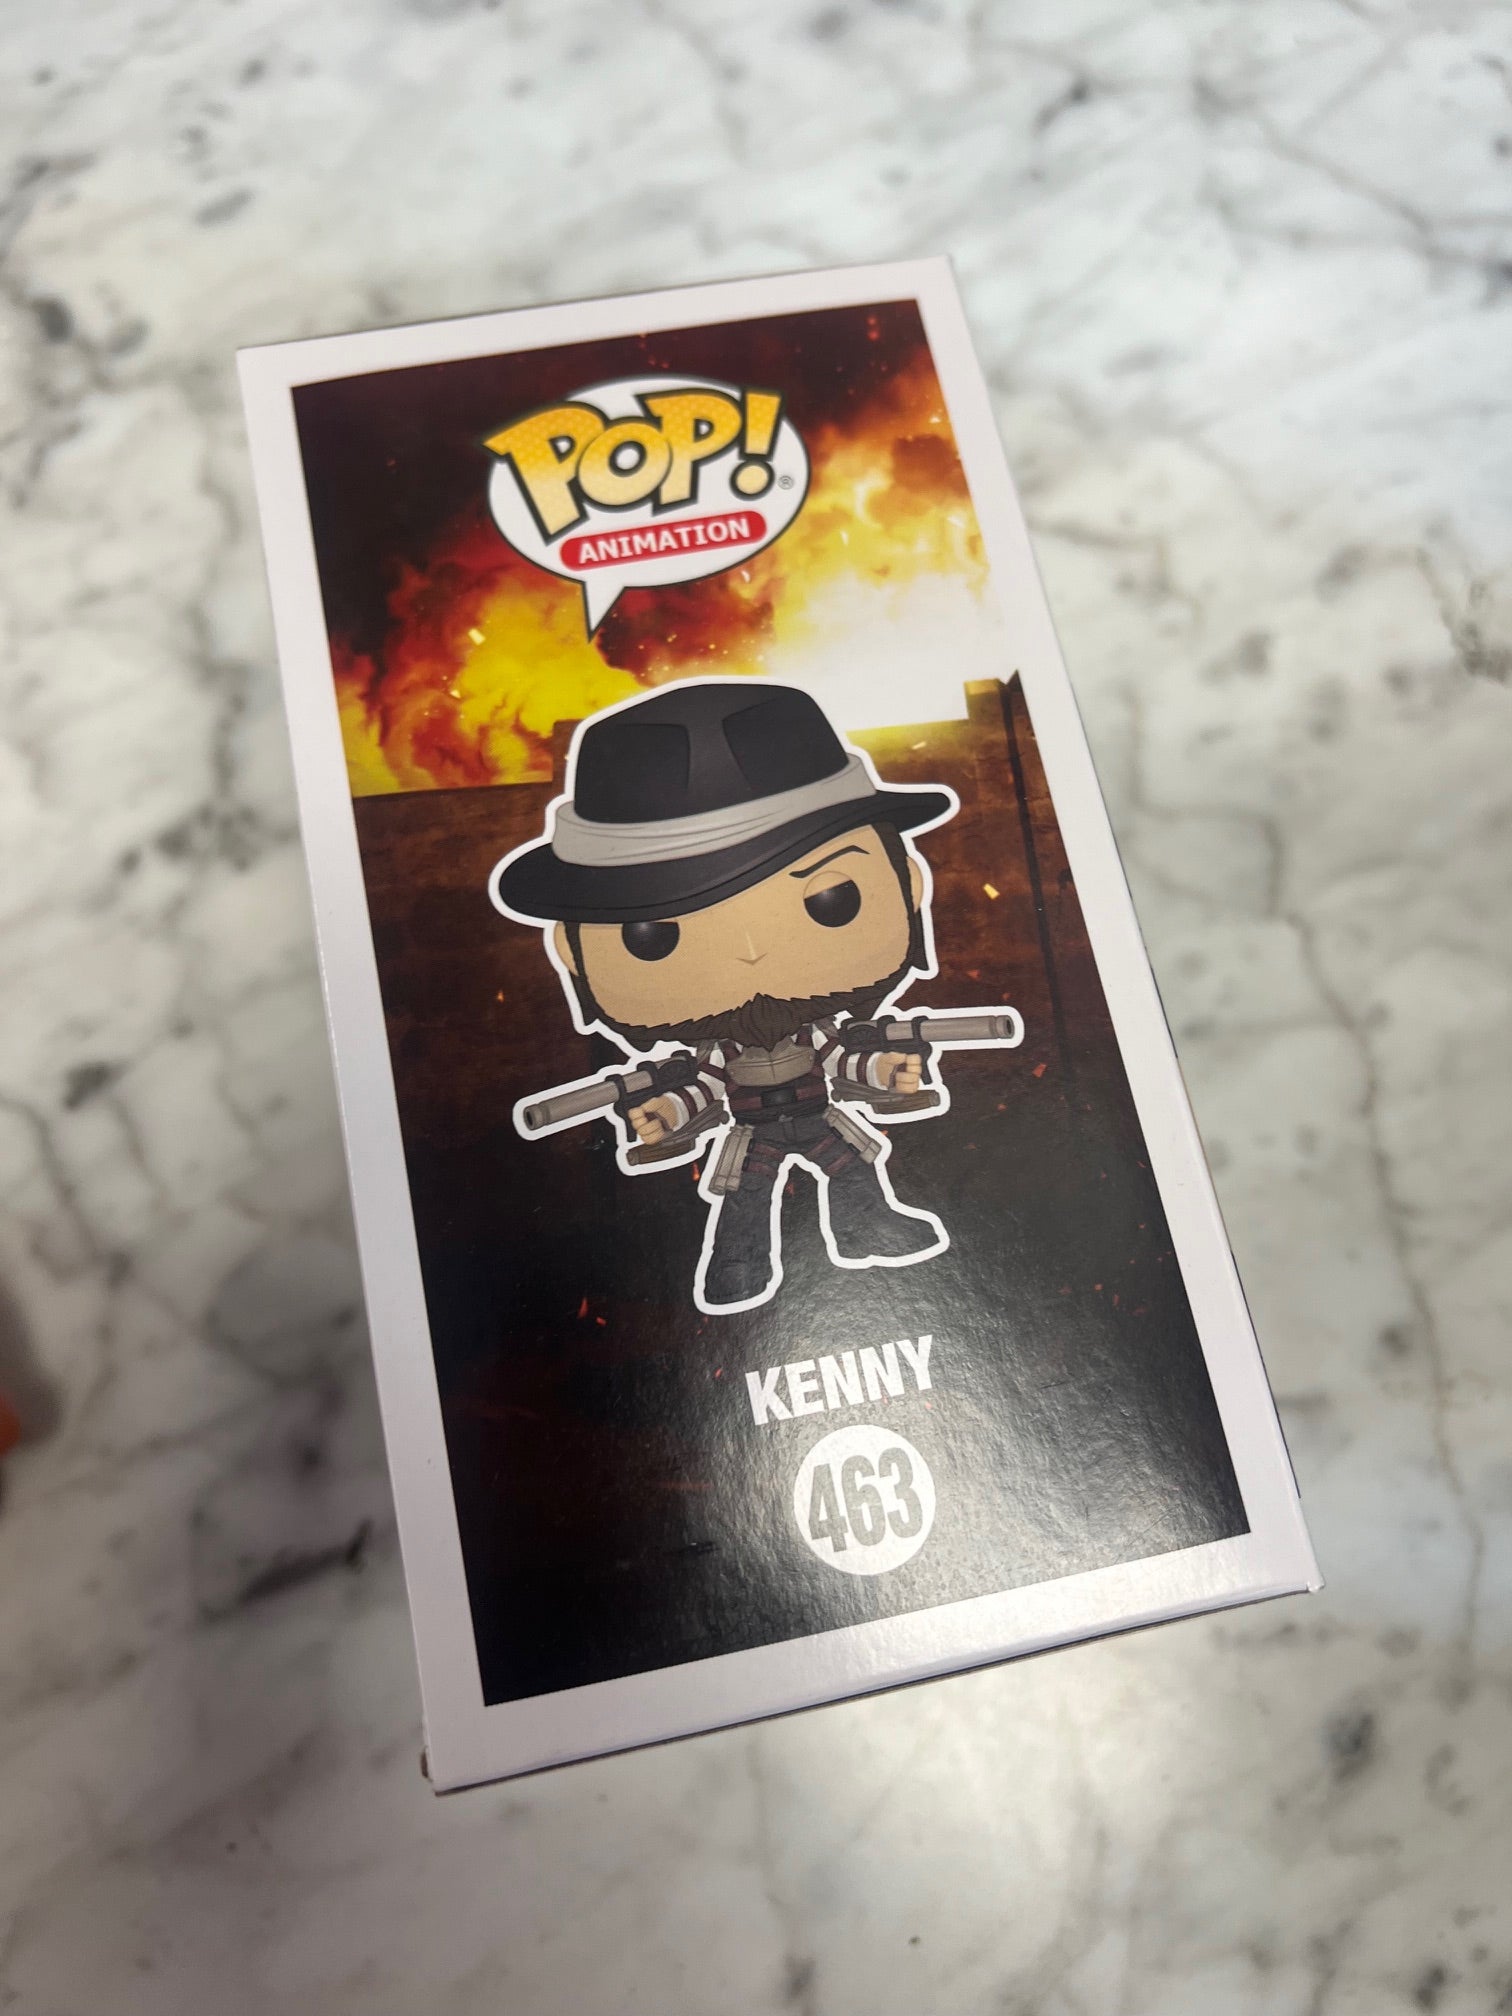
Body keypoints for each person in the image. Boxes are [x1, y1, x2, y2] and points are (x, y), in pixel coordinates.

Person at [493, 680, 964, 1313]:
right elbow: (705, 1084)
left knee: (853, 1169)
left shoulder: (814, 1032)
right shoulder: (719, 1051)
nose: (750, 953)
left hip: (819, 1118)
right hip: (753, 1131)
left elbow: (843, 1057)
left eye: (831, 899)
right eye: (652, 934)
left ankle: (867, 1229)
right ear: (571, 953)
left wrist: (886, 1070)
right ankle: (737, 1265)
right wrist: (668, 1114)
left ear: (907, 884)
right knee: (745, 1193)